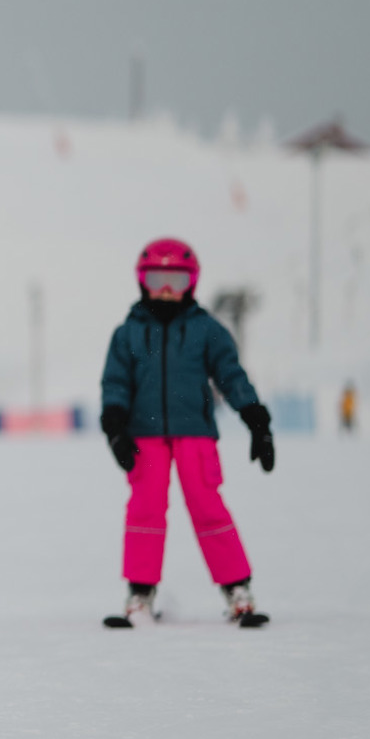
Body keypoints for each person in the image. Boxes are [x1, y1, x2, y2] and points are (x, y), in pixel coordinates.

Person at [98, 238, 274, 629]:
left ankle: (237, 590)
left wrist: (256, 419)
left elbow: (231, 375)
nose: (165, 288)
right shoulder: (127, 334)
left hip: (194, 431)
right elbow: (115, 383)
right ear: (142, 281)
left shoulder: (206, 330)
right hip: (144, 435)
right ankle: (140, 593)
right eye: (157, 278)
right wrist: (114, 424)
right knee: (145, 508)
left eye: (174, 280)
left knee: (208, 506)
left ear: (190, 283)